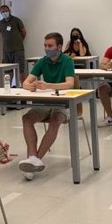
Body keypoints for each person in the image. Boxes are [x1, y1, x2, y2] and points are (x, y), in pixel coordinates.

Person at [18, 32, 75, 180]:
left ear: (59, 47)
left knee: (55, 120)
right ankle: (32, 157)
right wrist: (28, 87)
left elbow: (70, 83)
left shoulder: (67, 61)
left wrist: (48, 85)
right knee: (27, 118)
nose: (47, 48)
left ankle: (36, 159)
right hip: (45, 102)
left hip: (64, 103)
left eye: (50, 46)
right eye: (45, 45)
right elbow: (26, 81)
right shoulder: (43, 61)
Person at [0, 4, 27, 84]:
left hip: (18, 49)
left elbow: (24, 32)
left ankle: (23, 86)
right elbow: (2, 34)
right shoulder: (0, 23)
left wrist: (19, 40)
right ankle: (9, 87)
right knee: (8, 70)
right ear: (0, 13)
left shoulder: (16, 20)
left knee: (21, 70)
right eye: (2, 12)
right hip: (6, 51)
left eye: (6, 11)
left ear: (9, 11)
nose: (4, 13)